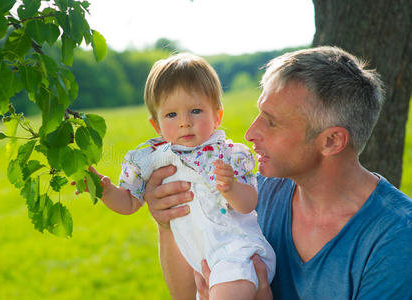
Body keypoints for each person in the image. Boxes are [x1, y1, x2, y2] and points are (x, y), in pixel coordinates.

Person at [144, 46, 412, 300]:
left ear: (331, 141)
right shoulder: (254, 191)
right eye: (259, 113)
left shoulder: (396, 240)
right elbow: (188, 293)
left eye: (271, 122)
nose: (250, 133)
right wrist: (169, 224)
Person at [88, 53, 276, 300]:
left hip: (238, 252)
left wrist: (230, 188)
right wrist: (102, 189)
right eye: (171, 115)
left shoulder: (227, 154)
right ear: (156, 125)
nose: (185, 122)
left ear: (217, 116)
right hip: (204, 264)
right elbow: (129, 203)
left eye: (196, 111)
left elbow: (248, 203)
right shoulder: (150, 158)